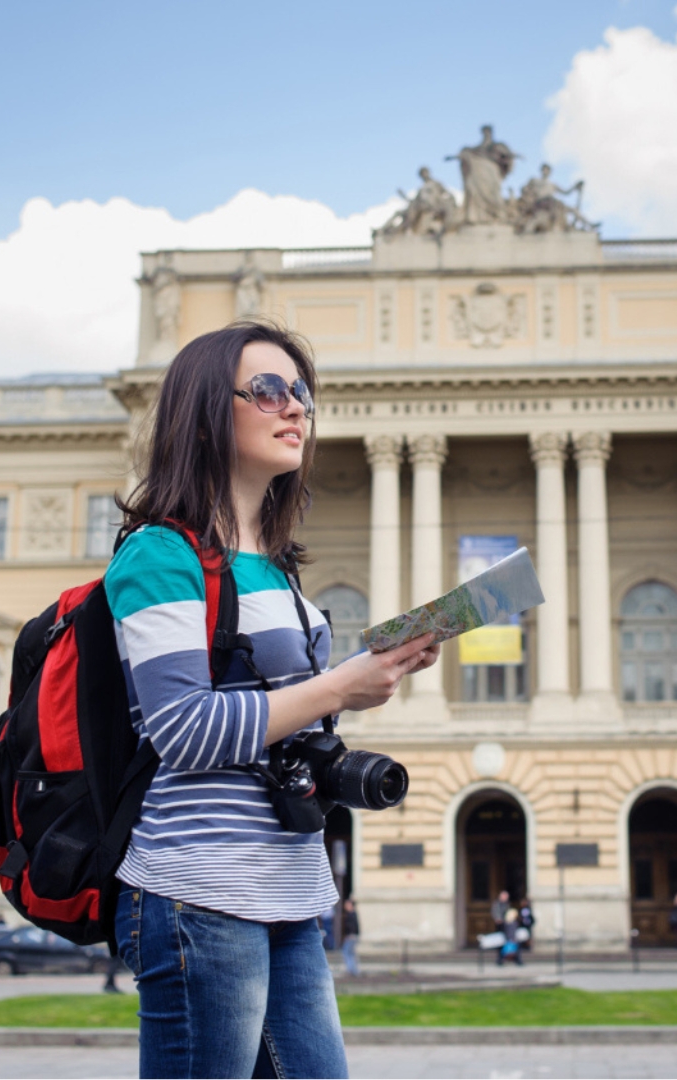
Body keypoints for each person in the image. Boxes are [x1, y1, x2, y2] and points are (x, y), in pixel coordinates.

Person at [109, 322, 442, 1078]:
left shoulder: (273, 567)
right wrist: (337, 686)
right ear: (203, 412)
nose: (294, 408)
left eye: (302, 393)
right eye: (268, 390)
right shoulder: (160, 552)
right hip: (200, 886)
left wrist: (367, 680)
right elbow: (184, 730)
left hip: (290, 883)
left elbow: (280, 715)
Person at [339, 899, 361, 978]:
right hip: (352, 936)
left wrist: (350, 935)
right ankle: (354, 970)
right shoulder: (352, 914)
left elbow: (352, 926)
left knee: (346, 952)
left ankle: (351, 970)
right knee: (351, 953)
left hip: (351, 937)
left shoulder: (351, 914)